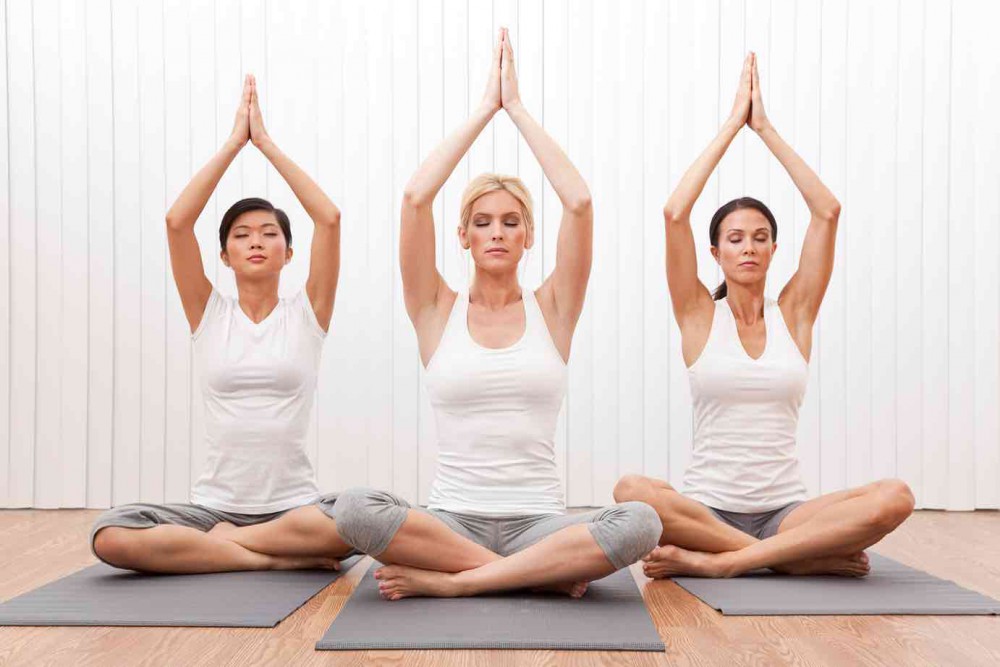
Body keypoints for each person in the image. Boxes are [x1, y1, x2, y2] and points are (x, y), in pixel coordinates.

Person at [333, 29, 661, 600]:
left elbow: (579, 202)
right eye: (482, 221)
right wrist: (486, 110)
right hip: (451, 520)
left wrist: (520, 112)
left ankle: (459, 584)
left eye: (511, 221)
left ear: (529, 234)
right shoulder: (436, 309)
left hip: (540, 522)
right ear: (461, 235)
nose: (497, 232)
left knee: (642, 522)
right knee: (355, 510)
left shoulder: (553, 309)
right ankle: (532, 575)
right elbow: (414, 199)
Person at [613, 53, 914, 579]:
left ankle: (727, 564)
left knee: (896, 496)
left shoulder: (794, 314)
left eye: (760, 238)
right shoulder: (698, 315)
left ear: (775, 249)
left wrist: (766, 129)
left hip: (787, 514)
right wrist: (732, 126)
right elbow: (674, 213)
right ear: (716, 253)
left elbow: (828, 211)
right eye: (735, 239)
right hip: (705, 511)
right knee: (631, 492)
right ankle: (789, 562)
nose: (748, 247)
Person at [90, 75, 355, 573]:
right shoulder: (208, 314)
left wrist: (267, 144)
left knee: (355, 521)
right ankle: (267, 560)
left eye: (269, 233)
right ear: (225, 255)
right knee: (110, 534)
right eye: (242, 234)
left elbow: (330, 219)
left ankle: (232, 550)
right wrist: (236, 143)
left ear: (288, 251)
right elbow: (176, 223)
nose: (256, 241)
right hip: (214, 509)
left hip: (293, 509)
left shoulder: (307, 314)